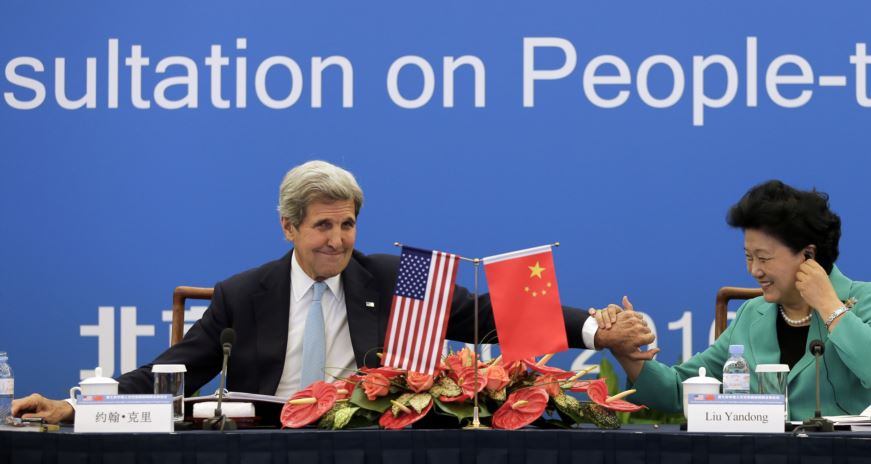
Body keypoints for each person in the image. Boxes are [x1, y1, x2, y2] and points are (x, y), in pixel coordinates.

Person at [14, 160, 650, 424]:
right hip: (270, 439)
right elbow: (176, 373)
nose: (337, 240)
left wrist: (596, 328)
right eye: (322, 225)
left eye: (347, 224)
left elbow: (490, 313)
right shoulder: (243, 293)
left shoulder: (392, 276)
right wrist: (81, 409)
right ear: (290, 227)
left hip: (371, 437)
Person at [596, 180, 871, 420]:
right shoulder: (752, 314)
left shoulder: (869, 298)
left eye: (764, 258)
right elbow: (681, 391)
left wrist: (829, 305)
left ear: (808, 255)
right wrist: (626, 352)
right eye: (748, 257)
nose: (754, 270)